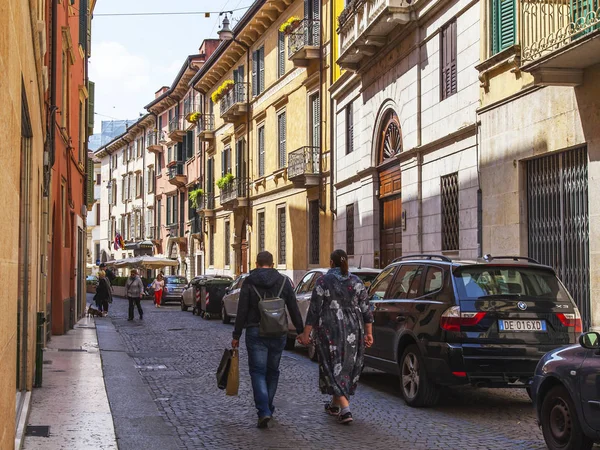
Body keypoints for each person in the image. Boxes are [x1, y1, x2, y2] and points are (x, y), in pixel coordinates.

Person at [297, 249, 374, 425]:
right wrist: (369, 333)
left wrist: (306, 334)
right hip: (354, 330)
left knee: (331, 365)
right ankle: (334, 405)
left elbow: (314, 310)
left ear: (331, 263)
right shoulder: (357, 282)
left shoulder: (323, 281)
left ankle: (345, 410)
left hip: (329, 329)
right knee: (345, 365)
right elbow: (366, 311)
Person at [231, 251, 304, 429]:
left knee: (257, 372)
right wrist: (301, 331)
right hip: (278, 332)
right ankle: (268, 407)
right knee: (273, 371)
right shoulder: (284, 281)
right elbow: (293, 307)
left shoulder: (249, 281)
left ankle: (263, 410)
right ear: (272, 264)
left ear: (256, 263)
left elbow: (242, 310)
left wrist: (236, 335)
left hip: (255, 331)